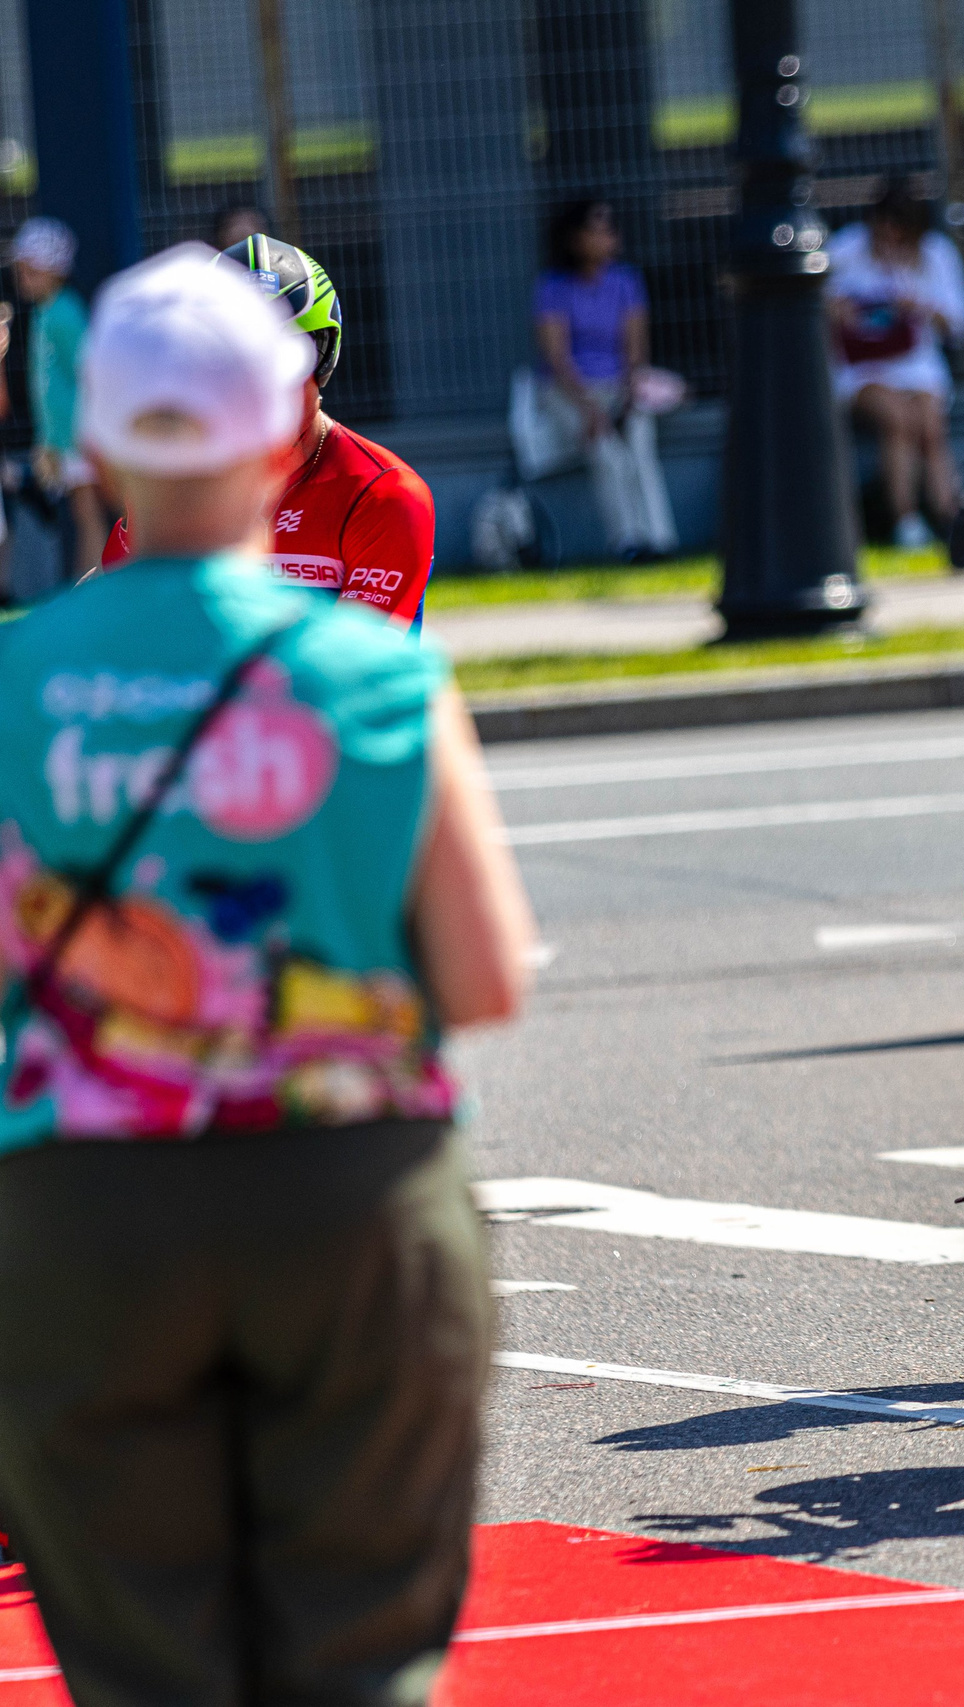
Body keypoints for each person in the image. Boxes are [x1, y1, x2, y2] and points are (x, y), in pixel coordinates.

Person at [0, 242, 533, 1705]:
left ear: (93, 440)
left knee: (147, 1667)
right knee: (358, 1655)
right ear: (287, 415)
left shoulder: (15, 675)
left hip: (82, 1201)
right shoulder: (379, 677)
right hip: (347, 1187)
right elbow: (485, 976)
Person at [98, 236, 436, 630]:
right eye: (233, 367)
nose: (262, 391)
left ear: (323, 357)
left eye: (280, 362)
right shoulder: (177, 489)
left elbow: (343, 678)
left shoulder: (384, 495)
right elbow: (112, 622)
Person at [825, 184, 964, 553]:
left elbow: (960, 326)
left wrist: (920, 304)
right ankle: (905, 522)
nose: (890, 240)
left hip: (917, 365)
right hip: (862, 368)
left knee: (929, 424)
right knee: (898, 419)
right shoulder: (844, 249)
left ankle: (950, 522)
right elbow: (813, 305)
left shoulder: (937, 254)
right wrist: (837, 310)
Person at [533, 198, 678, 563]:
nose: (607, 237)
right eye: (596, 229)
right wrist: (589, 410)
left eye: (610, 228)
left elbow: (635, 347)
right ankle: (627, 543)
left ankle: (659, 540)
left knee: (640, 442)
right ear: (574, 238)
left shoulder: (625, 281)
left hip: (619, 386)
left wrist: (630, 393)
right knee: (607, 453)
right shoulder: (553, 287)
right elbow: (557, 358)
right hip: (571, 392)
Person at [11, 218, 107, 581]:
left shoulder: (65, 312)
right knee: (83, 514)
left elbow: (88, 374)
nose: (23, 276)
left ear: (52, 270)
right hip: (66, 440)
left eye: (30, 269)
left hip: (78, 437)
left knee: (87, 514)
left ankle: (90, 586)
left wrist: (60, 440)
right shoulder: (48, 311)